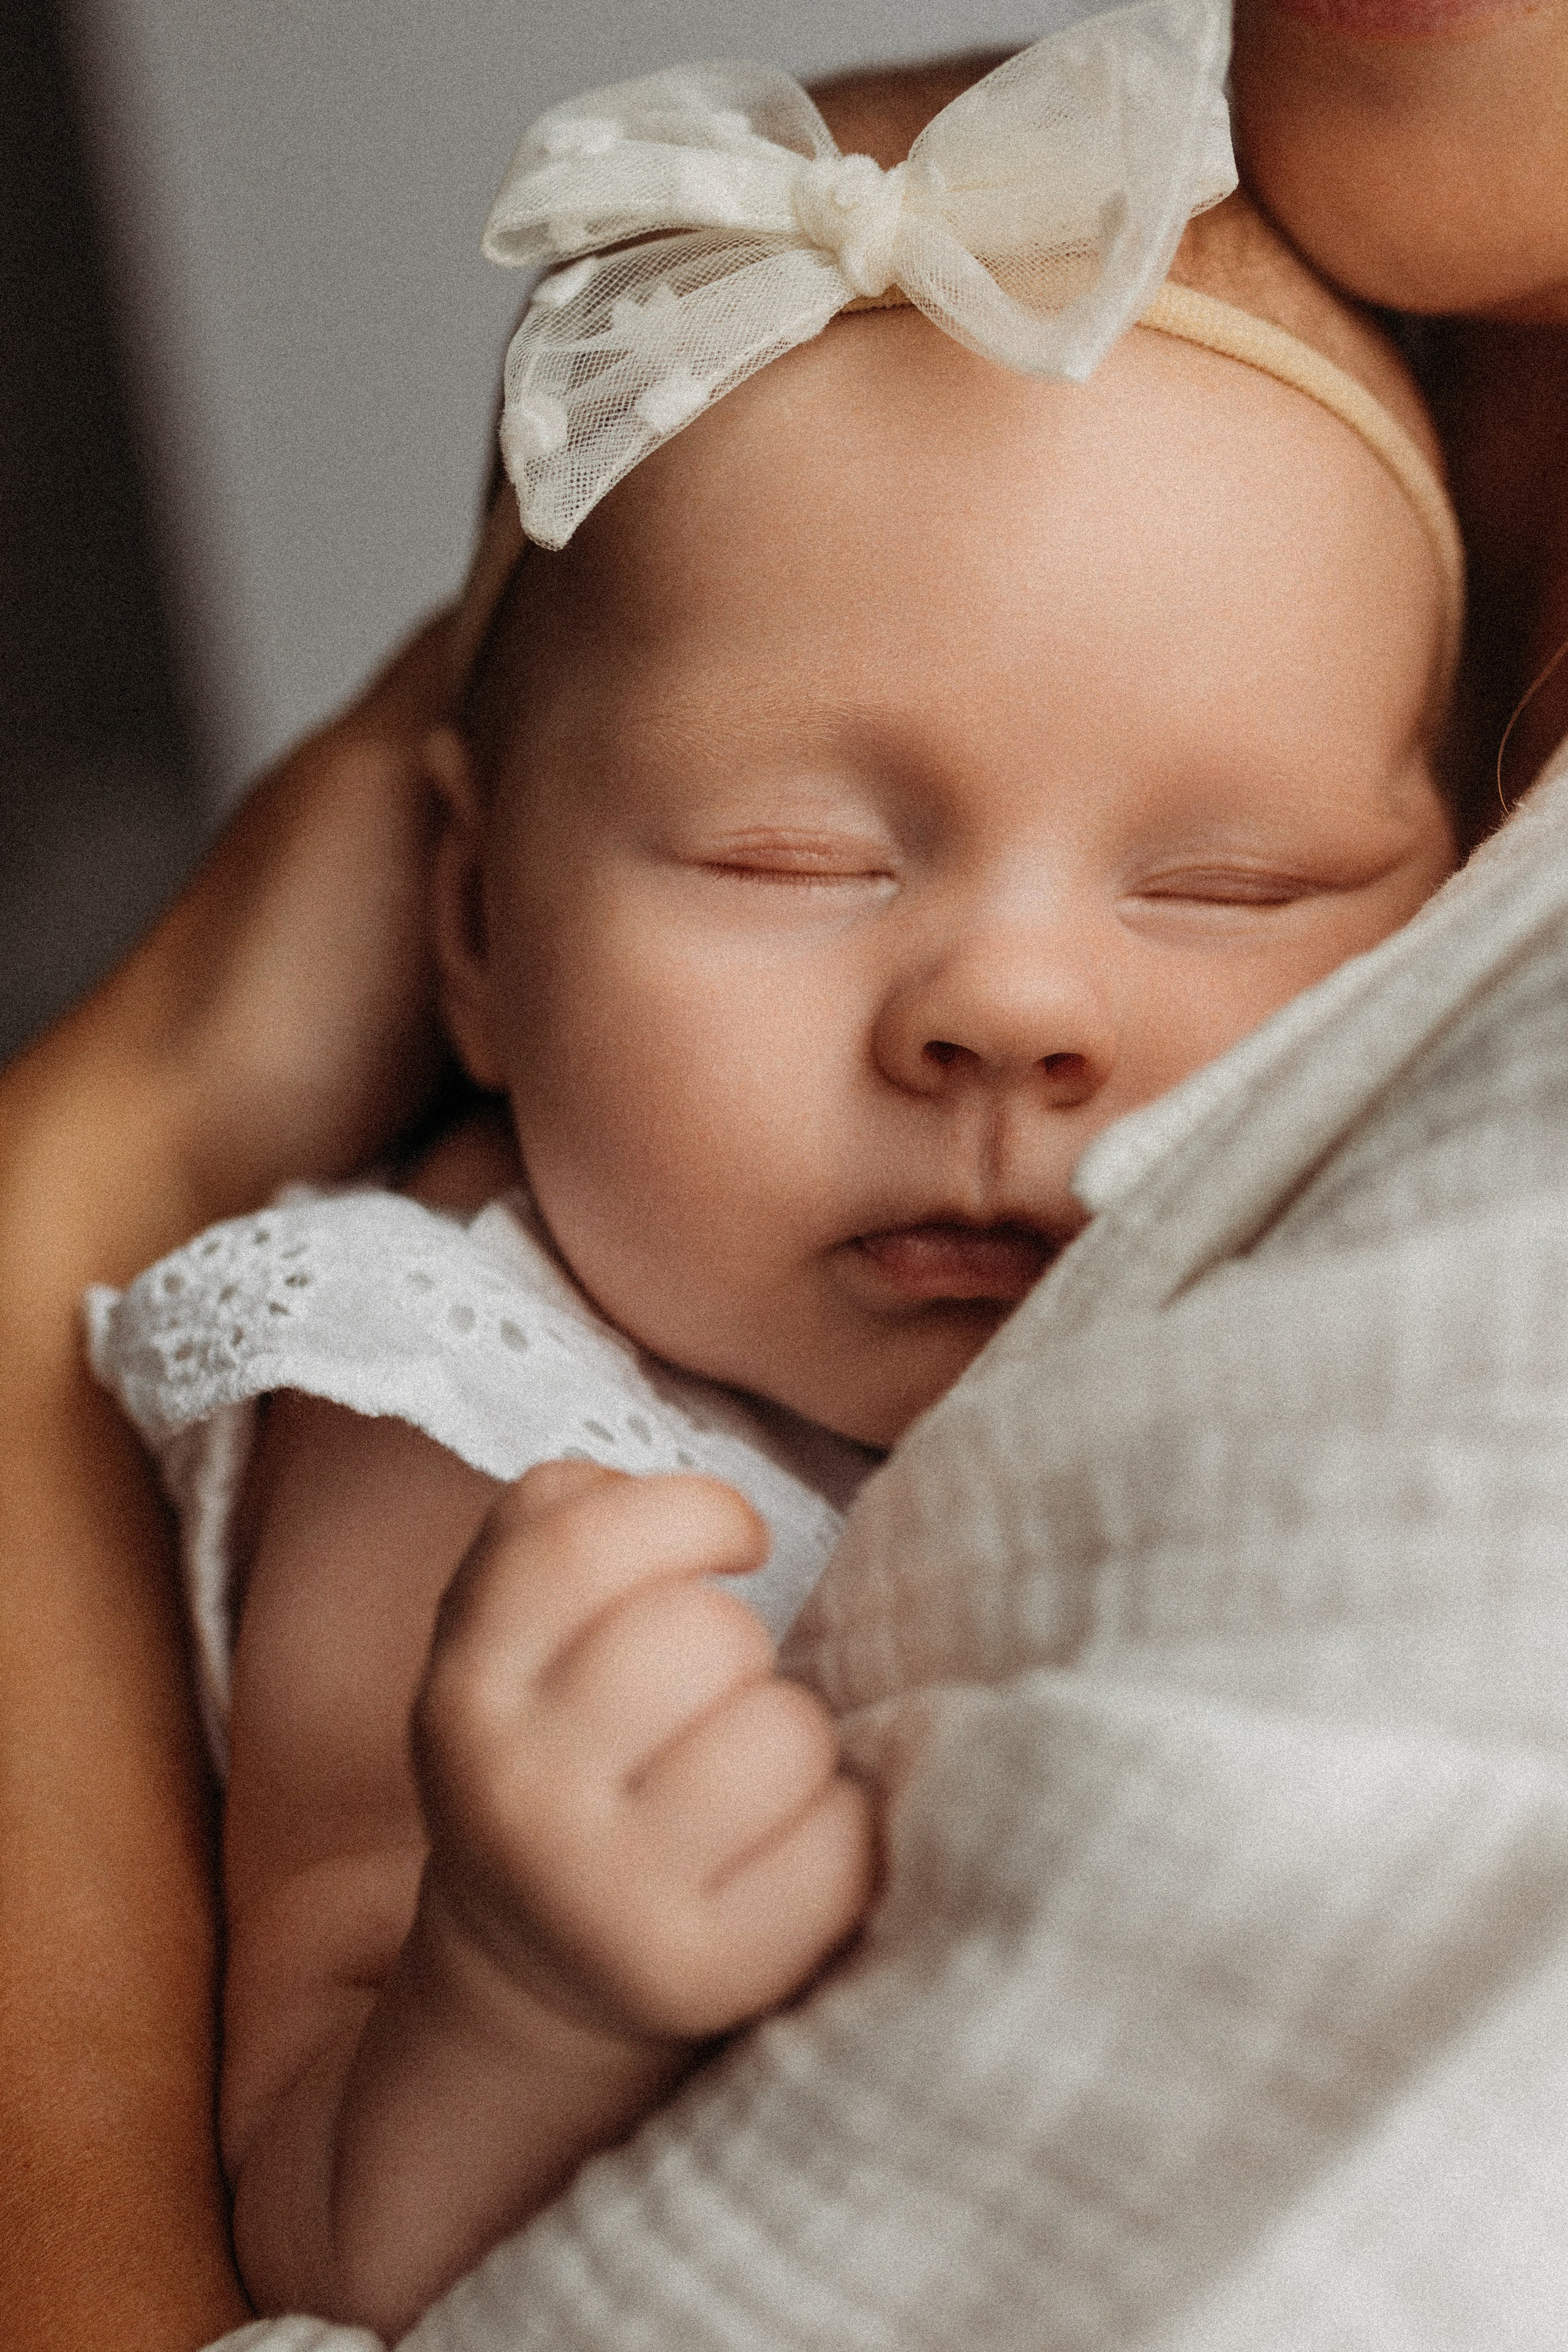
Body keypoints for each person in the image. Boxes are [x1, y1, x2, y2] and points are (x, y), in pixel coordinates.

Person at [0, 6, 1564, 2348]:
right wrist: (514, 1991)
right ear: (466, 929)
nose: (1008, 1009)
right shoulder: (453, 1402)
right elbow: (307, 2226)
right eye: (792, 856)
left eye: (1232, 887)